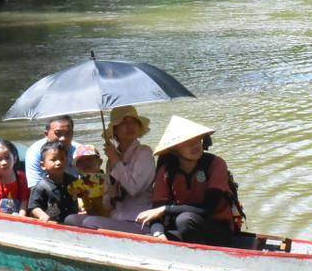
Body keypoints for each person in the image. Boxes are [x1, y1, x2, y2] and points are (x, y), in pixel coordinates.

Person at [136, 116, 238, 246]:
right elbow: (156, 214)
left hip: (218, 230)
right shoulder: (166, 171)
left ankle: (200, 257)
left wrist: (166, 209)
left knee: (184, 220)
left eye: (197, 139)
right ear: (175, 148)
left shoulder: (216, 164)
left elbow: (207, 209)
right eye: (188, 142)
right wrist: (158, 234)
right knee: (148, 240)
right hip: (186, 229)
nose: (196, 145)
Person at [65, 105, 155, 234]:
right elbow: (107, 204)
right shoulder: (112, 159)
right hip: (117, 217)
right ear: (115, 130)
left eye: (134, 121)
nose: (130, 126)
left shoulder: (144, 152)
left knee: (89, 222)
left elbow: (134, 189)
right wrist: (110, 195)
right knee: (71, 220)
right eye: (124, 122)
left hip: (138, 221)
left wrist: (116, 160)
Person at [27, 141, 82, 223]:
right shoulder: (41, 186)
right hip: (51, 224)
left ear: (67, 161)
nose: (59, 163)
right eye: (53, 160)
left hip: (73, 223)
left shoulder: (73, 181)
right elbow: (33, 207)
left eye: (62, 159)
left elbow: (83, 196)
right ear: (43, 165)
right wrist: (42, 215)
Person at [24, 115, 75, 188]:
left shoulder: (80, 151)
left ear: (72, 134)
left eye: (68, 133)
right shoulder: (35, 152)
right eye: (58, 133)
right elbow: (34, 187)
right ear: (46, 134)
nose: (63, 138)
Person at [68, 144, 107, 215]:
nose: (85, 163)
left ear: (100, 161)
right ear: (77, 168)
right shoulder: (81, 185)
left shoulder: (107, 179)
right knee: (70, 218)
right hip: (94, 214)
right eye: (80, 161)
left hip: (111, 213)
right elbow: (88, 208)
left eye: (89, 159)